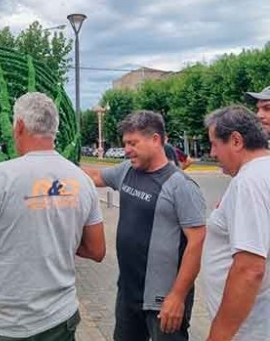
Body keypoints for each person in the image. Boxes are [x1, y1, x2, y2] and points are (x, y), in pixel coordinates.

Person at [0, 92, 105, 340]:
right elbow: (97, 250)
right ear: (54, 129)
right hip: (60, 321)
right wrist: (59, 239)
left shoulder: (2, 175)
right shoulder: (81, 179)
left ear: (20, 126)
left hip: (3, 326)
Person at [84, 111, 206, 340]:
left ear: (156, 140)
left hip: (164, 300)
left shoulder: (181, 186)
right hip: (128, 293)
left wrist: (178, 296)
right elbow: (94, 178)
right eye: (125, 143)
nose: (127, 149)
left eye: (133, 143)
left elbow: (197, 242)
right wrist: (57, 166)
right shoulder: (127, 170)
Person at [202, 105, 270, 339]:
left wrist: (218, 335)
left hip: (249, 330)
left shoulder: (249, 182)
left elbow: (249, 269)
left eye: (214, 144)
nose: (212, 153)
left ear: (236, 141)